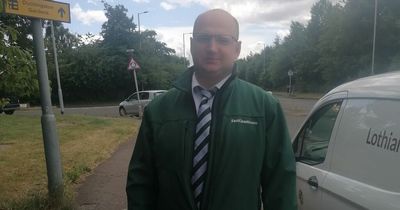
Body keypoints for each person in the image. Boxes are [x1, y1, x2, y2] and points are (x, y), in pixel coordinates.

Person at [126, 9, 297, 210]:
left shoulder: (265, 108)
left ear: (237, 48)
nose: (212, 47)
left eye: (223, 39)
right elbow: (141, 183)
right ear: (191, 45)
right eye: (203, 38)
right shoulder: (159, 111)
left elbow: (280, 187)